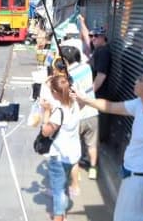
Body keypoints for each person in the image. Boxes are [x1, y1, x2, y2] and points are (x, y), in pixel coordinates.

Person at [74, 68, 143, 221]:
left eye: (141, 79)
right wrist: (85, 99)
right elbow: (110, 107)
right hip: (130, 177)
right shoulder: (140, 104)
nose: (136, 81)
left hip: (142, 183)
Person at [39, 75, 81, 221]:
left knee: (58, 191)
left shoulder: (59, 113)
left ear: (56, 93)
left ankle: (58, 217)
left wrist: (46, 112)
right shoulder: (75, 104)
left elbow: (45, 131)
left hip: (60, 156)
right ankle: (62, 214)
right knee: (62, 186)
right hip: (73, 154)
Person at [60, 45, 98, 196]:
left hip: (77, 115)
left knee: (74, 147)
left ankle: (77, 175)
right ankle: (93, 170)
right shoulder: (87, 68)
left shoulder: (68, 75)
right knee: (92, 144)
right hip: (92, 112)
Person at [85, 26, 111, 179]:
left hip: (98, 96)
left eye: (95, 36)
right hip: (97, 96)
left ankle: (93, 165)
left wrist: (89, 95)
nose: (92, 39)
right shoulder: (99, 50)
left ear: (103, 37)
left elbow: (101, 76)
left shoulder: (103, 52)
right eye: (91, 36)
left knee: (94, 132)